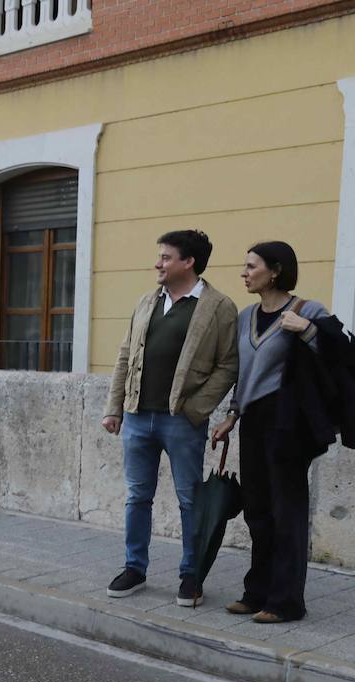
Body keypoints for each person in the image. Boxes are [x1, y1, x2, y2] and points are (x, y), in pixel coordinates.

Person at [103, 230, 238, 608]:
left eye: (165, 257)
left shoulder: (218, 307)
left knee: (189, 499)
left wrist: (198, 410)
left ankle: (190, 574)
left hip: (181, 420)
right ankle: (134, 568)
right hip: (136, 417)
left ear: (188, 262)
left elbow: (228, 365)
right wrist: (114, 408)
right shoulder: (147, 301)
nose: (158, 264)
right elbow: (125, 356)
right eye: (159, 257)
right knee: (137, 497)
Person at [209, 242, 329, 624]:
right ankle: (256, 592)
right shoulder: (246, 317)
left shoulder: (308, 310)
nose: (244, 273)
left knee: (286, 511)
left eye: (251, 266)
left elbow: (346, 354)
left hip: (289, 422)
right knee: (257, 509)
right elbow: (244, 372)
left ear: (275, 271)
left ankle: (286, 601)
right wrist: (231, 414)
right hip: (255, 420)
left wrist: (309, 331)